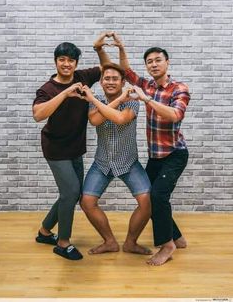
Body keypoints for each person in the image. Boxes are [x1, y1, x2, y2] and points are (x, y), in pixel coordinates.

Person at [98, 32, 190, 266]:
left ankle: (167, 245)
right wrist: (121, 47)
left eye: (158, 60)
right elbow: (126, 71)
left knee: (159, 195)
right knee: (150, 197)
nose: (154, 64)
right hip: (155, 156)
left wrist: (147, 100)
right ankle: (177, 237)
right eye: (149, 61)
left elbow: (175, 115)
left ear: (167, 62)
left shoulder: (179, 88)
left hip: (174, 154)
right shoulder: (146, 84)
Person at [80, 34, 152, 255]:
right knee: (87, 202)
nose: (110, 81)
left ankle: (131, 242)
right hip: (102, 162)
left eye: (115, 79)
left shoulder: (132, 99)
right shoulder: (98, 103)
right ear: (101, 82)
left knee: (146, 202)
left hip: (128, 162)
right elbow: (95, 120)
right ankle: (109, 241)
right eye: (106, 78)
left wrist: (93, 98)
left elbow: (120, 119)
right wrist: (96, 100)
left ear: (123, 82)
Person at [32, 42, 101, 260]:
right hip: (55, 148)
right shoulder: (47, 89)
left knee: (71, 193)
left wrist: (102, 49)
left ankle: (44, 232)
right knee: (70, 193)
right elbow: (38, 115)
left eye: (71, 60)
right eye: (62, 59)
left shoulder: (83, 76)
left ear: (76, 63)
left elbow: (109, 69)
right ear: (56, 61)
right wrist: (66, 93)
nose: (66, 64)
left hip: (75, 148)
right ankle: (62, 243)